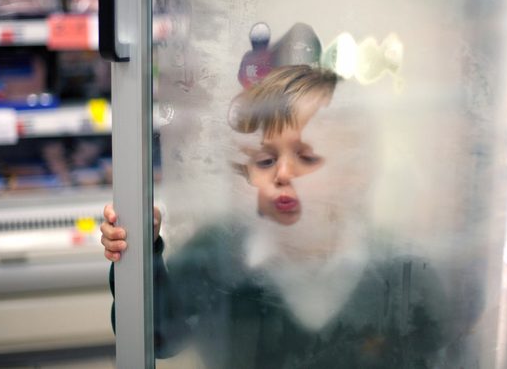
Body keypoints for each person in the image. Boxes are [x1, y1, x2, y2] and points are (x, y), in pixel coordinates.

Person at [101, 65, 464, 368]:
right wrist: (142, 252)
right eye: (265, 160)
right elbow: (158, 337)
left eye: (306, 157)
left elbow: (439, 354)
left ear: (356, 173)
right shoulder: (214, 255)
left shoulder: (400, 270)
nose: (283, 174)